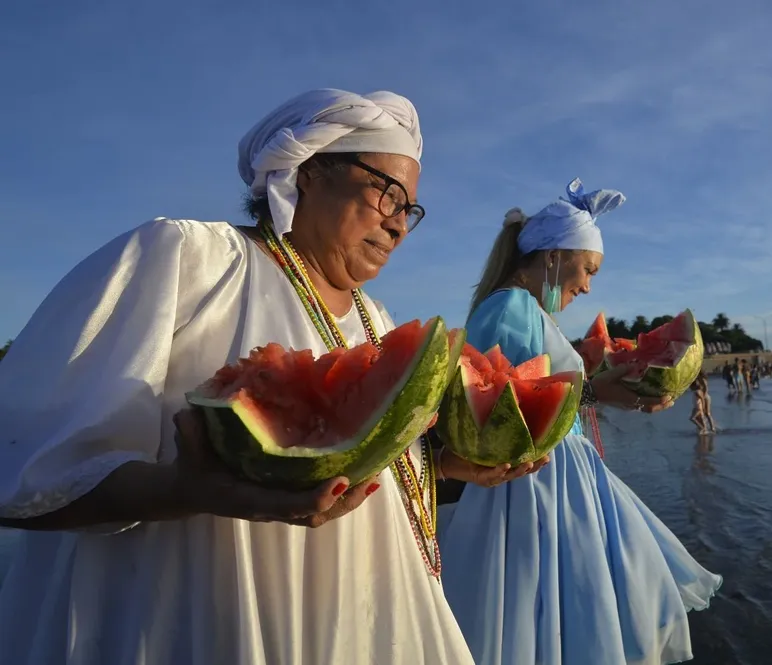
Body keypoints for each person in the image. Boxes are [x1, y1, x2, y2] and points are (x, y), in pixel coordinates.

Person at [0, 88, 541, 665]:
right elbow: (28, 471)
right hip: (195, 624)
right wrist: (187, 491)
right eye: (387, 193)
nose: (399, 225)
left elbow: (351, 455)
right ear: (309, 171)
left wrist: (443, 465)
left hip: (356, 627)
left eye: (410, 209)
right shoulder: (186, 259)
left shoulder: (378, 323)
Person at [436, 179, 722, 665]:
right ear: (553, 255)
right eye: (587, 268)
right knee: (556, 611)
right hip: (534, 486)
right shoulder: (509, 306)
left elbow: (548, 386)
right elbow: (500, 398)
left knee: (570, 611)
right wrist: (597, 392)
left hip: (560, 477)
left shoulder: (529, 310)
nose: (588, 285)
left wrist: (622, 388)